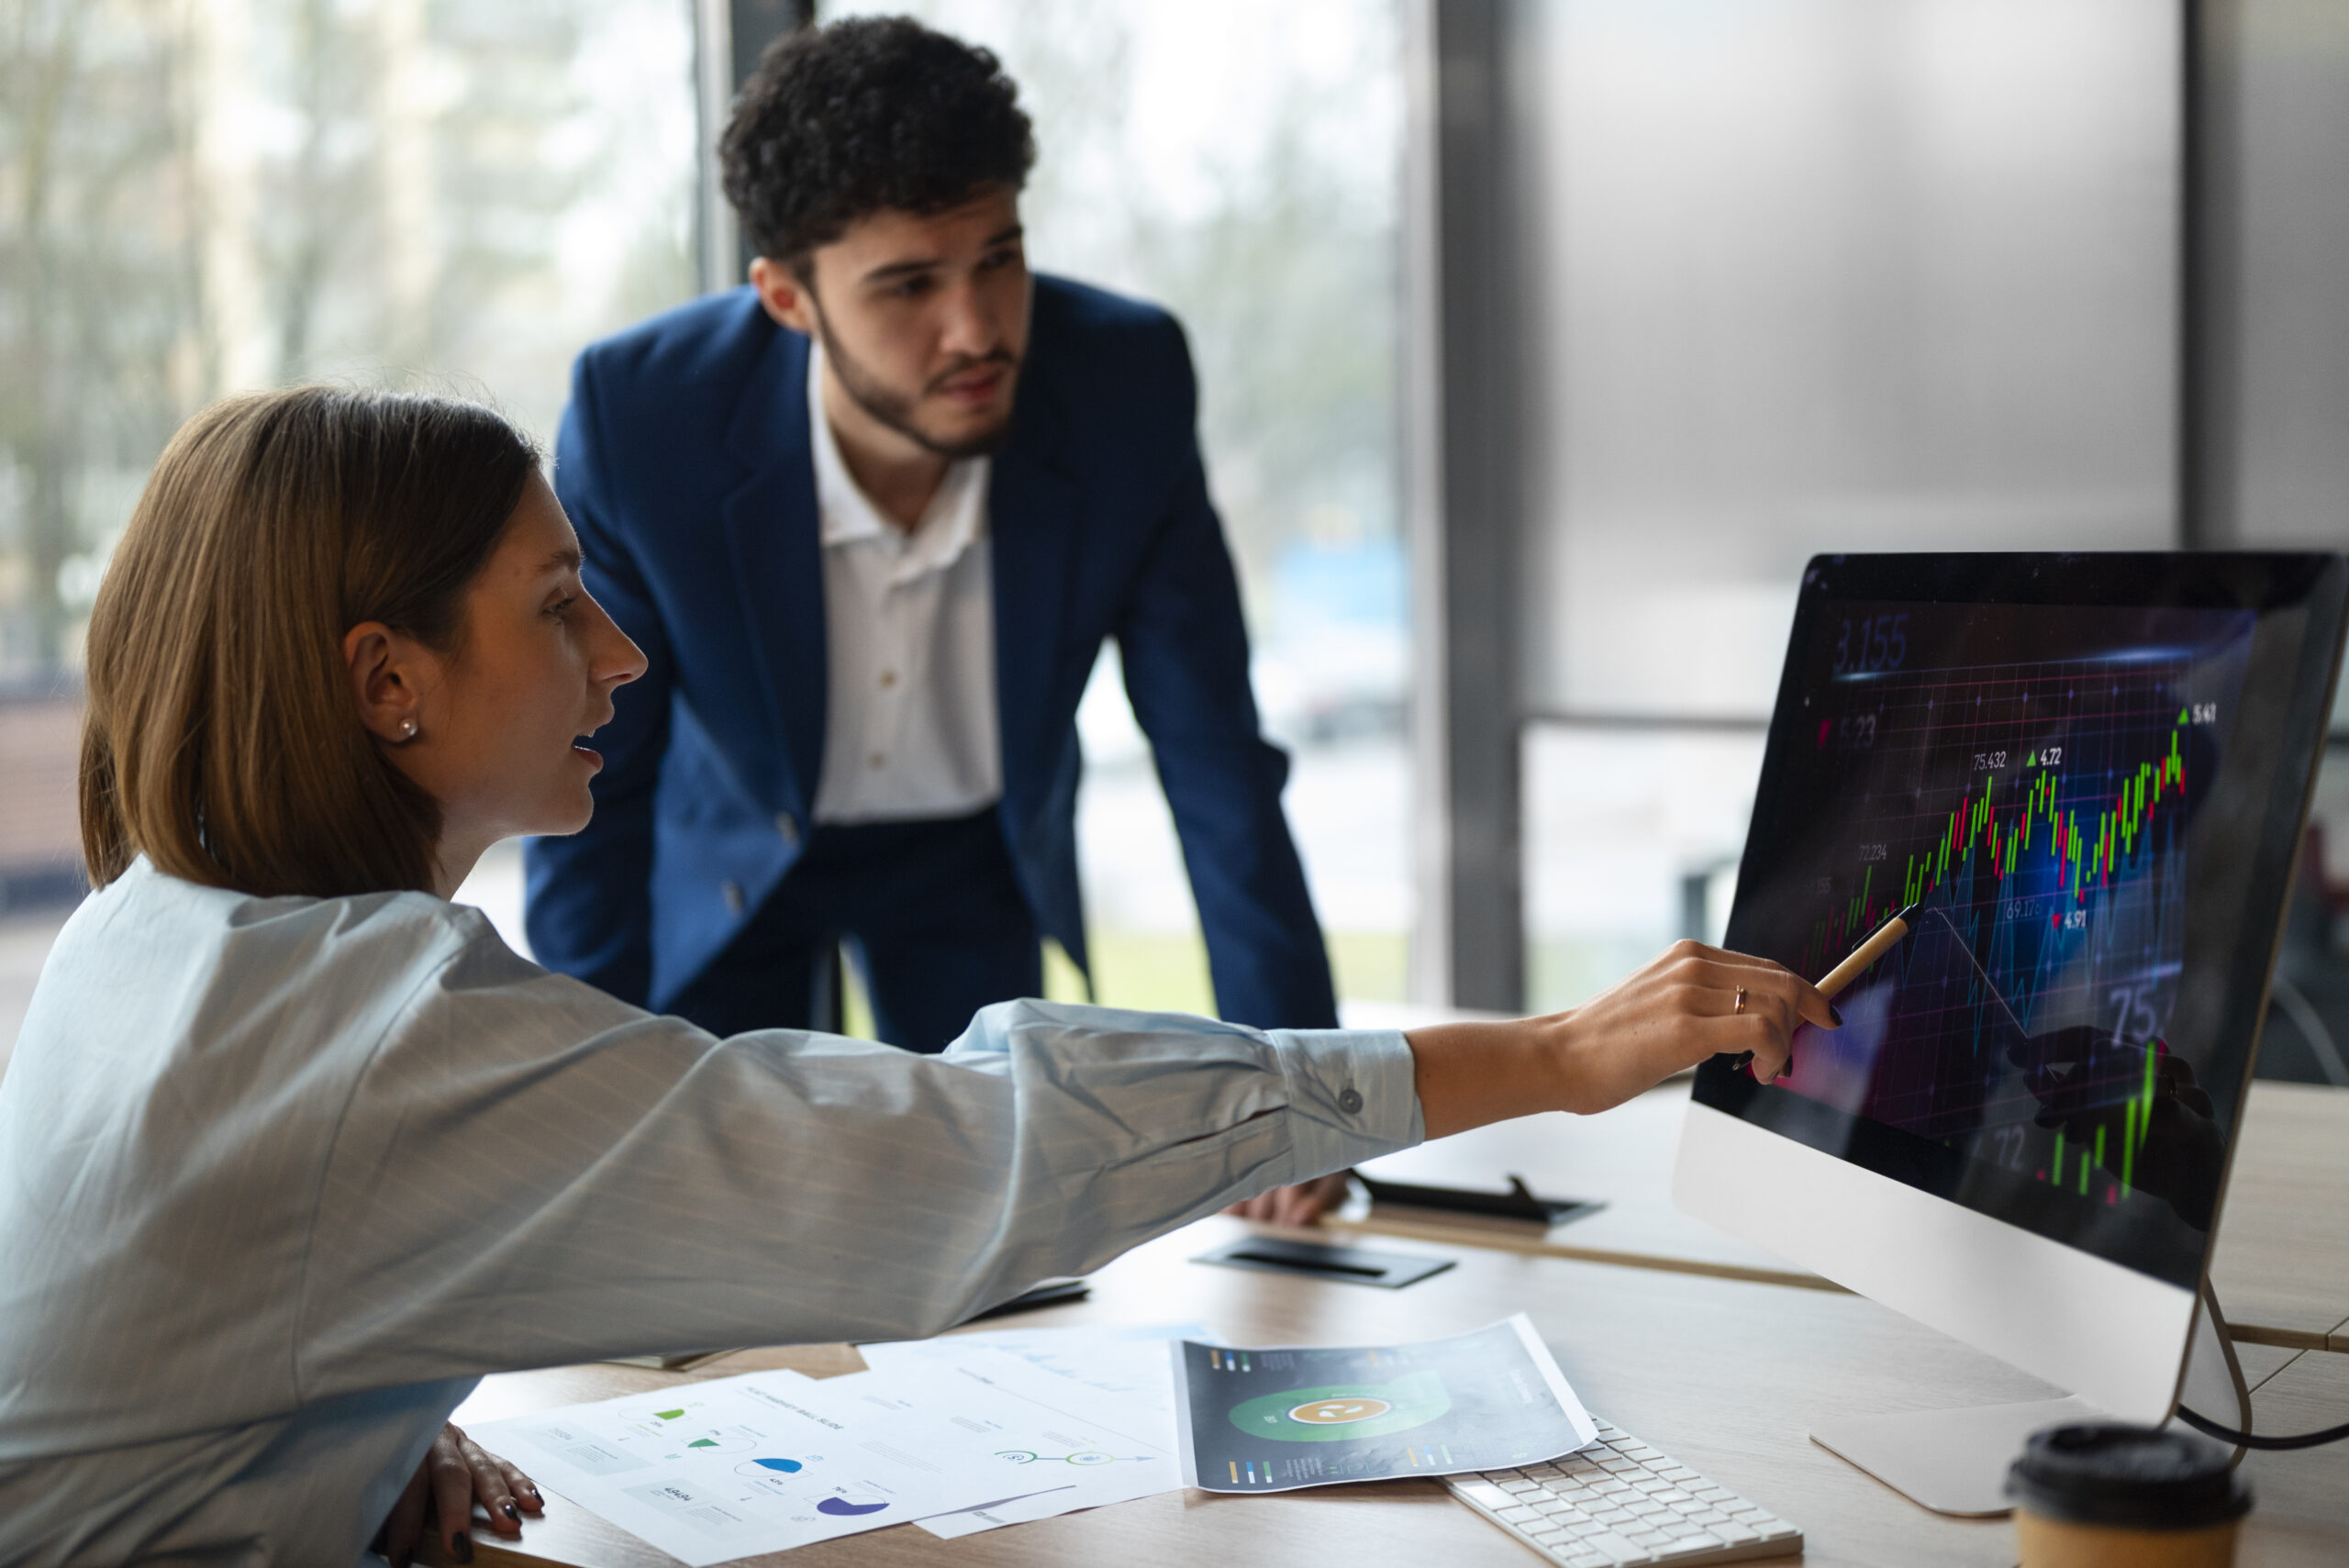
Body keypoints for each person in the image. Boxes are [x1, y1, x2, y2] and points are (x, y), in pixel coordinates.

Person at [0, 387, 1829, 1566]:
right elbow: (948, 1159)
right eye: (557, 601)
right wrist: (1545, 1051)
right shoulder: (358, 1029)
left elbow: (218, 1314)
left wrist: (346, 1442)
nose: (620, 654)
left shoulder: (157, 939)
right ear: (385, 680)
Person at [520, 19, 1357, 1219]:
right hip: (734, 864)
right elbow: (594, 778)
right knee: (710, 1231)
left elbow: (1215, 758)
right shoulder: (646, 414)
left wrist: (1300, 1087)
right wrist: (568, 1106)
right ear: (785, 296)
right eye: (910, 283)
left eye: (998, 257)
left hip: (972, 858)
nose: (977, 329)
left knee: (991, 1233)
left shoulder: (1124, 380)